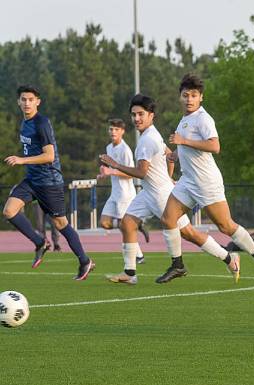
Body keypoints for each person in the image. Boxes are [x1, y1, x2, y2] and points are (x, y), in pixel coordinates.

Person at [102, 94, 239, 285]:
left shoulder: (148, 140)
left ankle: (229, 258)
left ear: (151, 115)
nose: (137, 119)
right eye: (134, 115)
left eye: (141, 114)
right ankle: (130, 273)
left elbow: (141, 173)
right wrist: (169, 175)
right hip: (149, 192)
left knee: (189, 234)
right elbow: (169, 155)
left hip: (161, 195)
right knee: (127, 223)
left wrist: (115, 165)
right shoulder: (152, 135)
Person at [158, 73, 254, 285]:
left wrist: (183, 141)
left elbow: (214, 146)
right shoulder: (185, 119)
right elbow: (190, 147)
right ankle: (178, 265)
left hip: (206, 181)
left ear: (201, 97)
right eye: (185, 95)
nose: (189, 99)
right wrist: (177, 153)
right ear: (180, 97)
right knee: (168, 219)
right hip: (188, 181)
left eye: (194, 95)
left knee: (226, 226)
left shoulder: (203, 118)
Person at [2, 85, 94, 280]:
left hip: (49, 182)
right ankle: (40, 243)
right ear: (18, 102)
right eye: (23, 99)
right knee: (9, 210)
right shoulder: (24, 123)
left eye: (30, 99)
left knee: (61, 223)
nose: (27, 103)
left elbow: (49, 156)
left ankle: (84, 260)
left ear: (38, 102)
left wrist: (21, 160)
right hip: (32, 180)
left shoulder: (41, 122)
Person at [97, 118, 147, 263]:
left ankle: (138, 256)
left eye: (116, 129)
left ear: (122, 132)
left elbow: (131, 173)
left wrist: (111, 172)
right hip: (115, 194)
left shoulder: (125, 150)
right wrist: (103, 173)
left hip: (125, 194)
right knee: (104, 222)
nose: (113, 132)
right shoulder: (109, 148)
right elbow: (111, 170)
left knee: (125, 227)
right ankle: (138, 226)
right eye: (111, 129)